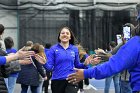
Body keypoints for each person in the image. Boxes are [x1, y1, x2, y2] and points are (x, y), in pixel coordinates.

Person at [36, 26, 89, 93]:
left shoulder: (74, 49)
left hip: (71, 79)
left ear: (70, 37)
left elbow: (77, 65)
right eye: (62, 33)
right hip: (57, 81)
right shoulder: (53, 49)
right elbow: (49, 68)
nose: (65, 34)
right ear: (59, 36)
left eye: (67, 33)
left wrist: (85, 64)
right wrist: (44, 63)